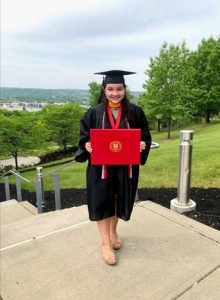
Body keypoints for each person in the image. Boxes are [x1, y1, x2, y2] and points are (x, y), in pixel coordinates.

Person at [75, 70, 151, 266]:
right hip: (101, 168)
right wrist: (87, 146)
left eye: (119, 89)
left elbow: (145, 136)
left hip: (125, 168)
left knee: (118, 201)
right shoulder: (93, 112)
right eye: (110, 89)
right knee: (102, 202)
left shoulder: (135, 112)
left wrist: (142, 144)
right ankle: (106, 244)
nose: (115, 93)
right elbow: (84, 139)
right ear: (104, 90)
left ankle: (113, 231)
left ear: (125, 89)